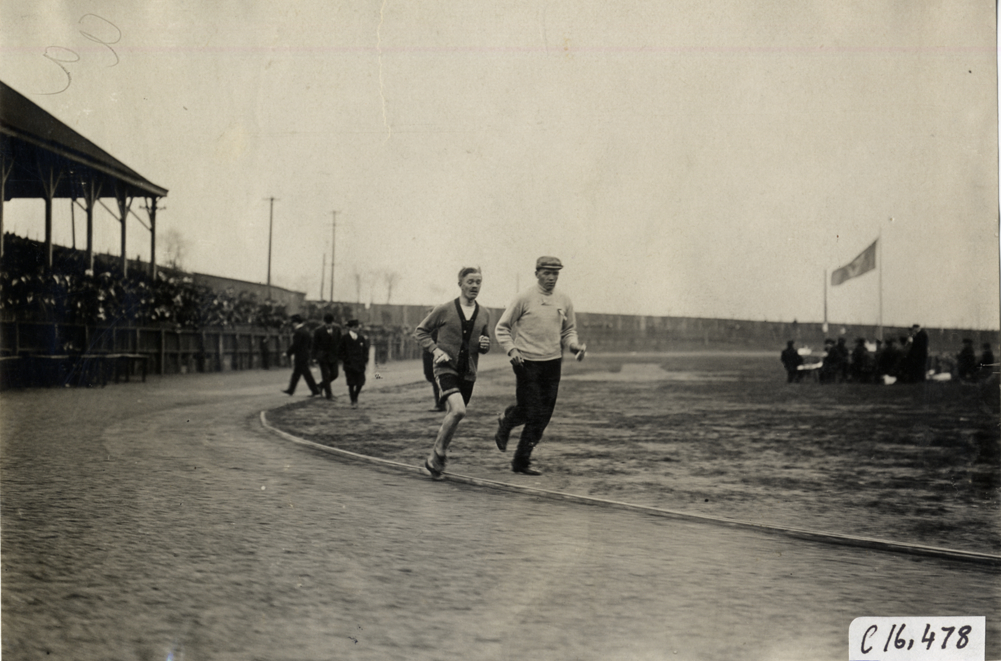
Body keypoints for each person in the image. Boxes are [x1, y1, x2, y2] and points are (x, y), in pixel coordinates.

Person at [494, 256, 586, 476]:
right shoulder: (524, 298)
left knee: (543, 416)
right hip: (525, 361)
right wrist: (512, 350)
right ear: (537, 273)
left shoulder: (564, 300)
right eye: (547, 273)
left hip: (552, 363)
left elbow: (568, 330)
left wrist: (573, 346)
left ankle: (521, 461)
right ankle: (507, 422)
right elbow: (502, 328)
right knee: (531, 410)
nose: (552, 278)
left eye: (555, 273)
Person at [413, 267, 492, 480]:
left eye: (478, 282)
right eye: (470, 281)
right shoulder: (444, 309)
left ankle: (434, 461)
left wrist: (485, 345)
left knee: (455, 414)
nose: (474, 286)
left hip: (469, 372)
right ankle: (439, 452)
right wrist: (436, 350)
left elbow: (483, 345)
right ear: (460, 284)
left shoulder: (485, 313)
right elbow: (420, 331)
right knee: (458, 411)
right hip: (445, 368)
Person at [282, 314, 320, 397]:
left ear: (295, 323)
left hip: (300, 356)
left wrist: (287, 353)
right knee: (299, 374)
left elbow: (295, 345)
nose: (292, 324)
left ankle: (315, 390)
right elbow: (310, 344)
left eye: (293, 322)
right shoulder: (306, 331)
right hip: (305, 355)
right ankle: (291, 390)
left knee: (305, 374)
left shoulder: (298, 332)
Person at [340, 319, 369, 408]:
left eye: (357, 327)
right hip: (349, 365)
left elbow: (365, 350)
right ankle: (353, 400)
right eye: (355, 327)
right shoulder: (345, 338)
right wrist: (346, 360)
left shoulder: (361, 338)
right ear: (350, 328)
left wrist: (364, 359)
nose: (357, 329)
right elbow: (340, 351)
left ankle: (355, 396)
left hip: (359, 364)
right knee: (351, 383)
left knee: (360, 382)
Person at [313, 313, 342, 399]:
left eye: (330, 323)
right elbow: (315, 345)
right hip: (323, 356)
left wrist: (341, 354)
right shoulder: (318, 330)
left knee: (335, 374)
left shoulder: (337, 328)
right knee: (325, 375)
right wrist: (314, 357)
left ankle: (320, 385)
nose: (328, 325)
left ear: (333, 322)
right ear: (324, 322)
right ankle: (329, 395)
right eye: (327, 323)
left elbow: (340, 342)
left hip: (333, 356)